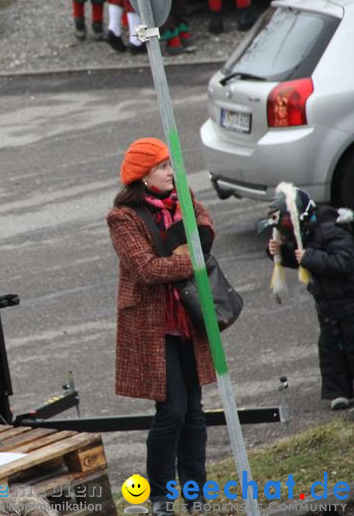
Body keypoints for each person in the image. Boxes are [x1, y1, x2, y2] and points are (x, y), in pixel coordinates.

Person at [106, 138, 216, 516]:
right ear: (143, 175)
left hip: (189, 316)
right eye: (162, 166)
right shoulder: (122, 217)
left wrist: (198, 239)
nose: (172, 172)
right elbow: (147, 269)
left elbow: (204, 225)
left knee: (195, 410)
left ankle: (196, 494)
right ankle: (160, 497)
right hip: (153, 325)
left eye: (170, 164)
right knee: (172, 411)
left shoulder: (181, 197)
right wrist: (193, 263)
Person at [264, 184, 354, 411]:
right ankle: (339, 391)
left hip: (348, 301)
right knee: (330, 348)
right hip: (327, 305)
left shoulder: (332, 230)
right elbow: (302, 260)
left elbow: (342, 263)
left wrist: (309, 256)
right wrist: (280, 253)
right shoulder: (306, 235)